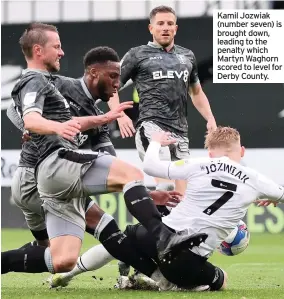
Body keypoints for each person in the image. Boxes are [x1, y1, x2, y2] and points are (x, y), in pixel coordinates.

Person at [2, 22, 206, 277]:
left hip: (55, 176)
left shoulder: (96, 115)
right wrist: (32, 127)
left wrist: (143, 192)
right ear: (93, 73)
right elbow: (16, 108)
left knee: (63, 255)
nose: (118, 84)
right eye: (113, 77)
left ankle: (156, 277)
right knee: (102, 220)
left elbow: (111, 165)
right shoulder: (60, 85)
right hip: (34, 176)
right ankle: (163, 242)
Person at [49, 126, 284, 291]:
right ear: (241, 151)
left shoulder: (199, 164)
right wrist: (274, 197)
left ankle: (70, 274)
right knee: (222, 281)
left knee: (119, 241)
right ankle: (168, 280)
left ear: (210, 153)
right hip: (188, 262)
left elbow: (151, 166)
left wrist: (156, 142)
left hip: (158, 239)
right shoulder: (256, 179)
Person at [108, 5, 217, 196]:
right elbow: (110, 87)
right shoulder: (137, 54)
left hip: (180, 133)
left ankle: (161, 224)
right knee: (166, 187)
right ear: (151, 28)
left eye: (169, 23)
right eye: (160, 23)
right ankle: (145, 215)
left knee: (181, 197)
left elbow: (197, 92)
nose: (165, 27)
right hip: (152, 129)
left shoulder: (187, 56)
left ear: (176, 28)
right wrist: (119, 116)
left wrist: (210, 118)